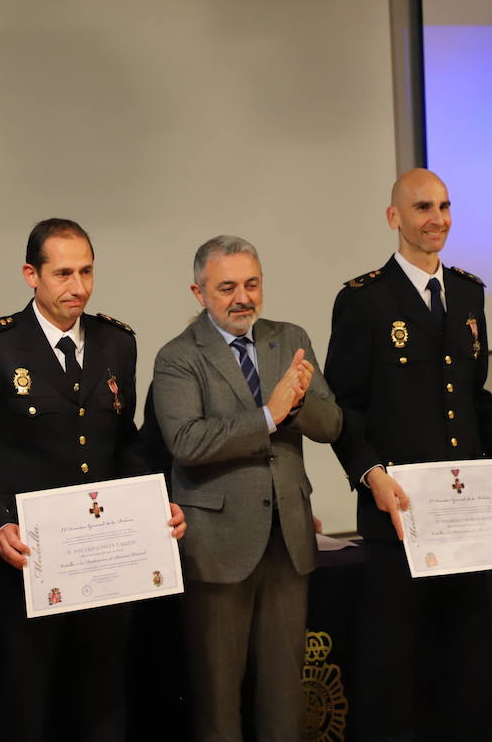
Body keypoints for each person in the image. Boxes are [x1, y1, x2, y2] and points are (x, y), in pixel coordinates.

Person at [0, 218, 185, 742]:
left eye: (87, 272)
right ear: (31, 275)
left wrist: (154, 506)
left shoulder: (117, 343)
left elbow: (123, 446)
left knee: (104, 702)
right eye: (63, 274)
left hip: (106, 556)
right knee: (31, 706)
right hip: (29, 559)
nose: (79, 287)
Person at [325, 168, 492, 741]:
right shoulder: (364, 301)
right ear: (394, 218)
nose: (436, 218)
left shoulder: (468, 292)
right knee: (396, 671)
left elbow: (476, 398)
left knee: (469, 665)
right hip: (401, 515)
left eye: (444, 206)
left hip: (469, 516)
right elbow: (343, 406)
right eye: (422, 207)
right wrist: (370, 474)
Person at [152, 234, 343, 741]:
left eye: (253, 284)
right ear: (199, 293)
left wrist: (297, 403)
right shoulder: (177, 356)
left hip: (289, 539)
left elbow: (332, 426)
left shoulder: (290, 337)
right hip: (217, 548)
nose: (244, 298)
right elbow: (187, 441)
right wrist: (268, 414)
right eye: (228, 287)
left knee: (285, 701)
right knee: (219, 706)